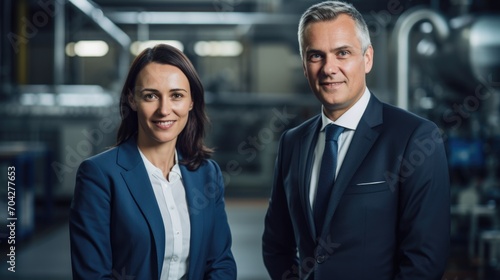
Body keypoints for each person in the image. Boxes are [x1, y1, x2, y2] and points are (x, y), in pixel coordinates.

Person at [262, 1, 450, 279]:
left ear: (367, 58)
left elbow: (424, 260)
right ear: (304, 65)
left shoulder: (414, 138)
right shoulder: (293, 142)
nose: (329, 68)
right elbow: (277, 244)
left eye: (343, 53)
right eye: (316, 56)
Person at [70, 44, 237, 279]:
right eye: (151, 96)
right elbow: (93, 275)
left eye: (176, 95)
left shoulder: (206, 173)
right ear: (132, 99)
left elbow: (220, 263)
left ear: (191, 102)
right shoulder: (99, 175)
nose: (164, 109)